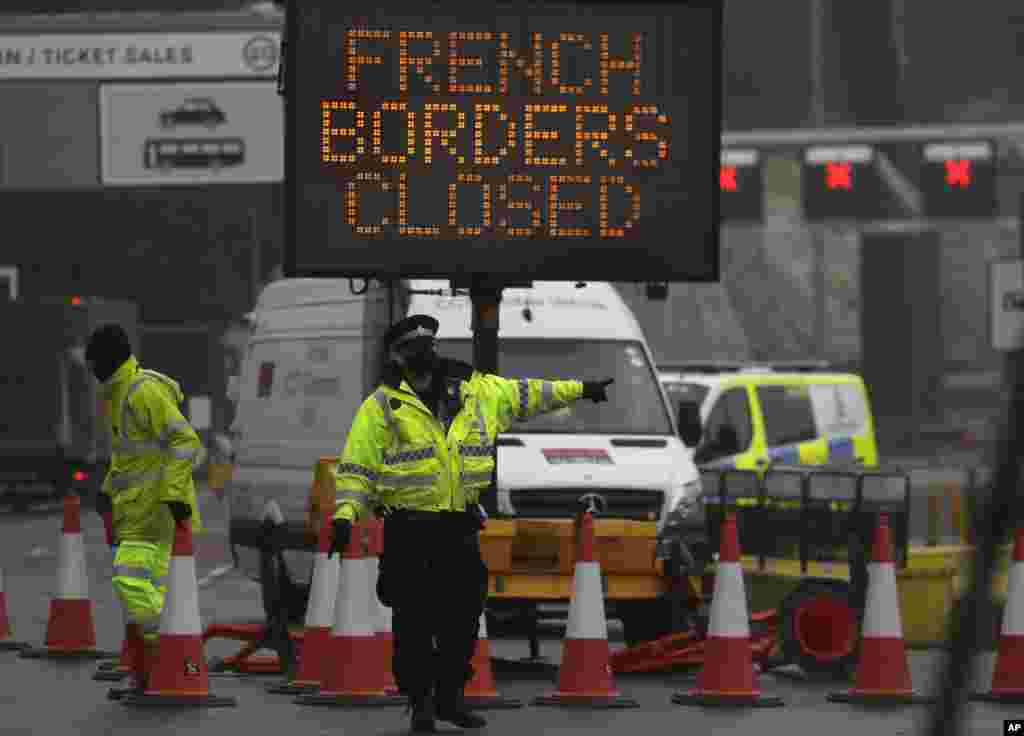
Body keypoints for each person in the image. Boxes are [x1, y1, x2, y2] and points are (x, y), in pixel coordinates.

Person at [329, 314, 614, 733]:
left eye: (426, 347)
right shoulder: (382, 407)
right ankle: (421, 703)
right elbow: (357, 468)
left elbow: (530, 393)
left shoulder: (477, 390)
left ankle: (448, 698)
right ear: (398, 357)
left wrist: (583, 390)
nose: (421, 355)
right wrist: (344, 516)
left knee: (462, 618)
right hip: (409, 528)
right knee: (414, 623)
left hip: (458, 527)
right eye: (412, 350)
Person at [86, 324, 203, 691]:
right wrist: (107, 490)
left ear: (105, 359)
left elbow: (185, 440)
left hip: (157, 512)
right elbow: (130, 459)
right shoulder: (119, 394)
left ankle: (164, 652)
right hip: (137, 513)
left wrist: (172, 494)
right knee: (148, 588)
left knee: (132, 581)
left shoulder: (142, 391)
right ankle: (153, 669)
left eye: (93, 362)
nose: (90, 369)